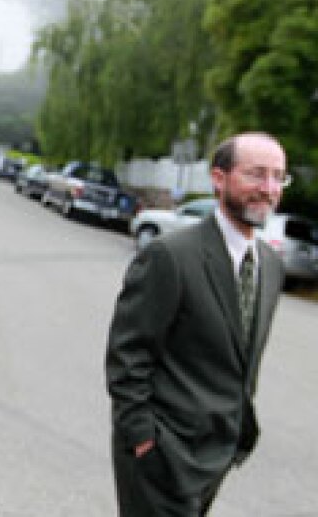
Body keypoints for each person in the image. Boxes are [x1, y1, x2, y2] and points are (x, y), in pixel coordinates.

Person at [105, 132, 288, 516]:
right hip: (161, 456)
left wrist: (236, 435)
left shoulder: (270, 267)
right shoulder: (170, 257)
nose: (268, 189)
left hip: (217, 454)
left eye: (278, 177)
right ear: (218, 179)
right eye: (256, 175)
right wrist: (143, 439)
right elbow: (127, 357)